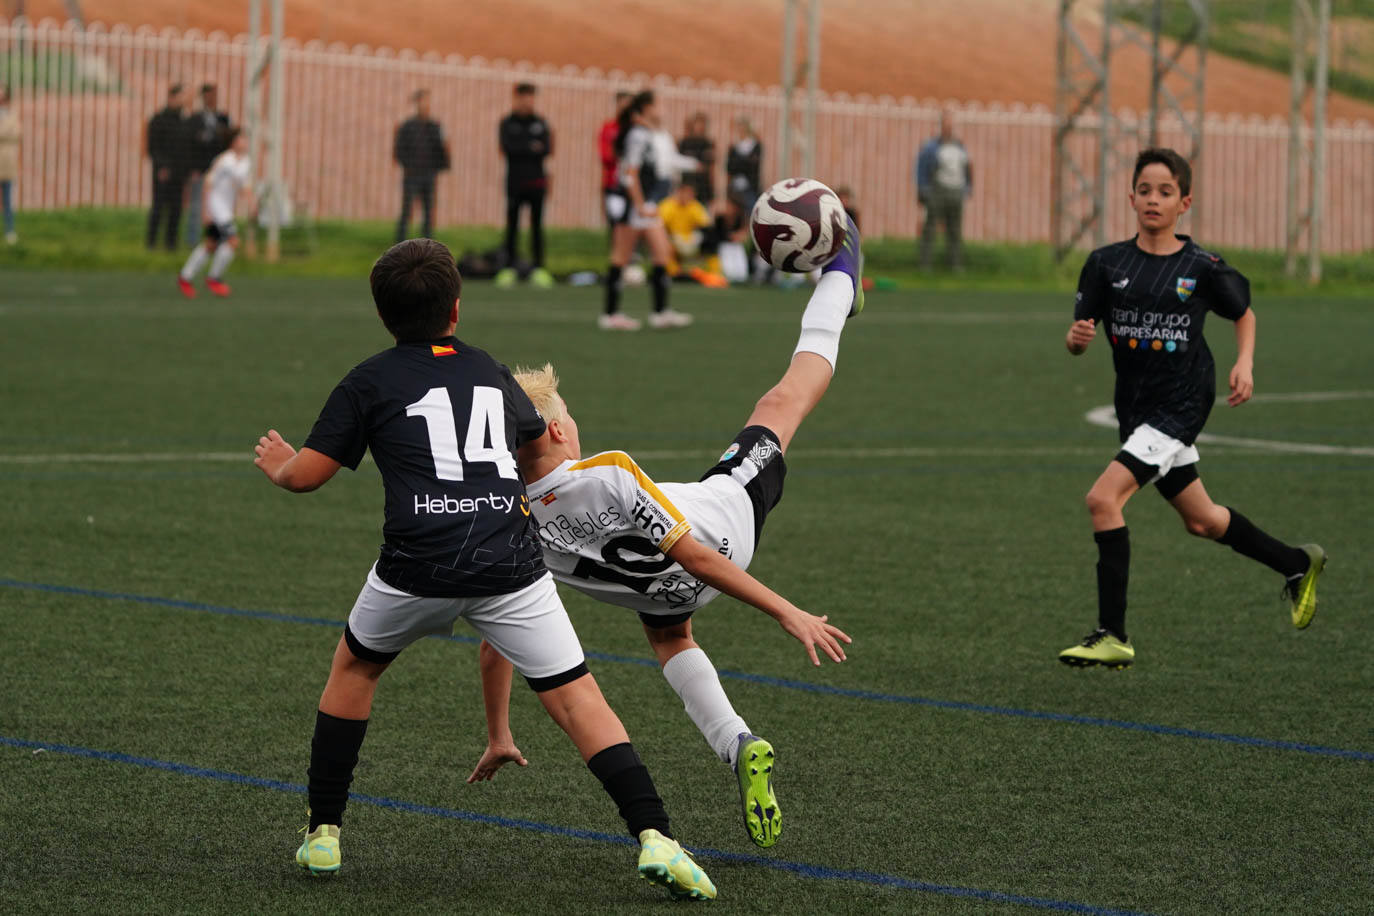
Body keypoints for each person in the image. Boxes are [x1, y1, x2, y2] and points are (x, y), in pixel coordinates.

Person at [251, 238, 717, 900]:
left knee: (355, 669)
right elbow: (534, 455)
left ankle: (323, 833)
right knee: (578, 696)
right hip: (509, 562)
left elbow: (309, 476)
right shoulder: (492, 373)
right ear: (457, 308)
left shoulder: (368, 380)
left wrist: (278, 463)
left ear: (384, 315)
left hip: (417, 565)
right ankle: (657, 837)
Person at [468, 219, 865, 850]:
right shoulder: (609, 471)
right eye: (568, 414)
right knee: (783, 402)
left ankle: (737, 745)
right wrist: (787, 612)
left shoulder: (511, 523)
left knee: (669, 635)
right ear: (559, 434)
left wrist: (499, 732)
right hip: (722, 527)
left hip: (662, 593)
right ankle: (844, 272)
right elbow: (700, 557)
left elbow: (498, 644)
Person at [1059, 148, 1326, 670]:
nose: (1153, 200)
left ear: (1185, 202)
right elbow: (1077, 340)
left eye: (1164, 192)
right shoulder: (1106, 263)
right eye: (1144, 190)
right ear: (1130, 197)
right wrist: (1076, 339)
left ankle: (1112, 633)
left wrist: (1244, 363)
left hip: (1182, 404)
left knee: (1102, 499)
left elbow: (1243, 314)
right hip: (1135, 409)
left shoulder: (1201, 266)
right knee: (1202, 521)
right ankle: (1296, 563)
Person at [601, 91, 692, 331]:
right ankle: (610, 314)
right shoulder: (638, 134)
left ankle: (660, 312)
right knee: (620, 257)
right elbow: (630, 174)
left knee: (662, 254)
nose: (662, 109)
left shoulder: (650, 134)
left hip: (647, 206)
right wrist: (640, 205)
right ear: (646, 109)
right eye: (657, 104)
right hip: (635, 207)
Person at [177, 128, 251, 298]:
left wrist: (251, 202)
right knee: (233, 241)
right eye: (242, 138)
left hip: (225, 210)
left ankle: (185, 277)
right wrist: (205, 211)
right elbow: (208, 184)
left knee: (211, 244)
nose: (245, 142)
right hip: (216, 208)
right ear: (233, 142)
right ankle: (214, 278)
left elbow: (243, 187)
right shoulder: (224, 160)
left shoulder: (246, 162)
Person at [495, 83, 554, 289]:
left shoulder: (540, 122)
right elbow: (508, 147)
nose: (528, 101)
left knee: (537, 226)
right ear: (516, 98)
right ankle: (509, 268)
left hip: (537, 182)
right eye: (524, 97)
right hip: (515, 183)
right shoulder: (507, 123)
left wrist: (526, 147)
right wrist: (530, 146)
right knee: (512, 225)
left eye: (531, 97)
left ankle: (538, 268)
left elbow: (546, 148)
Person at [915, 109, 972, 270]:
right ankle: (925, 265)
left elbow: (967, 168)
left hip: (956, 192)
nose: (949, 127)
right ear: (941, 126)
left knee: (955, 230)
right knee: (930, 229)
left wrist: (967, 188)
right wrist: (923, 189)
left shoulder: (960, 147)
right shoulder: (932, 147)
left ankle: (955, 265)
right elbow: (922, 167)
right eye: (946, 124)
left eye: (951, 124)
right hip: (937, 191)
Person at [393, 89, 450, 242]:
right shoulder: (407, 126)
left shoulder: (435, 126)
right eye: (422, 101)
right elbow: (399, 149)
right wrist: (408, 165)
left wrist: (439, 166)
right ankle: (400, 242)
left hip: (429, 174)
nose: (425, 104)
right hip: (412, 174)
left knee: (428, 211)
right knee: (407, 211)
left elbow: (442, 148)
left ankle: (428, 244)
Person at [184, 83, 231, 248]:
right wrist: (193, 168)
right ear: (203, 97)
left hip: (219, 171)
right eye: (209, 95)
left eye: (214, 95)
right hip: (201, 169)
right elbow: (189, 146)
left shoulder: (223, 118)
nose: (212, 99)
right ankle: (193, 241)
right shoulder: (194, 119)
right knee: (197, 207)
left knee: (219, 206)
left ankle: (218, 240)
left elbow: (227, 143)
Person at [145, 84, 190, 251]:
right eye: (181, 97)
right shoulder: (158, 119)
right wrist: (162, 167)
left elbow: (186, 148)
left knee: (176, 209)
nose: (184, 101)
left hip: (179, 173)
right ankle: (151, 242)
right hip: (163, 173)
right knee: (158, 207)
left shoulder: (184, 121)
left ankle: (171, 243)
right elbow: (153, 148)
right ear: (172, 97)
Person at [657, 182, 720, 284]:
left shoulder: (694, 206)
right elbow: (659, 227)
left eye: (691, 194)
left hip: (690, 240)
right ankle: (674, 274)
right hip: (673, 240)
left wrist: (712, 212)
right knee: (663, 244)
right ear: (679, 192)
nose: (689, 196)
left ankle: (715, 274)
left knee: (712, 239)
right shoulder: (667, 205)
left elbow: (706, 225)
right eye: (686, 193)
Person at [599, 91, 633, 236]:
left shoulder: (636, 130)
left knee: (631, 222)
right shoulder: (609, 128)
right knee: (615, 222)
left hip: (633, 183)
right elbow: (606, 156)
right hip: (613, 182)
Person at [724, 116, 762, 213]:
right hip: (735, 186)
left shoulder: (755, 145)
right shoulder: (734, 146)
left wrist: (739, 162)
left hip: (750, 186)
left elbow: (753, 166)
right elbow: (730, 168)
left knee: (751, 212)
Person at [678, 112, 715, 205]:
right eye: (698, 123)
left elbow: (711, 168)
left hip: (703, 186)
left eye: (702, 124)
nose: (700, 127)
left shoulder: (708, 143)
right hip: (688, 185)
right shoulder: (684, 142)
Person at [0, 83, 19, 245]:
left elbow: (17, 133)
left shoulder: (13, 115)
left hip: (7, 163)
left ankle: (9, 230)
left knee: (8, 200)